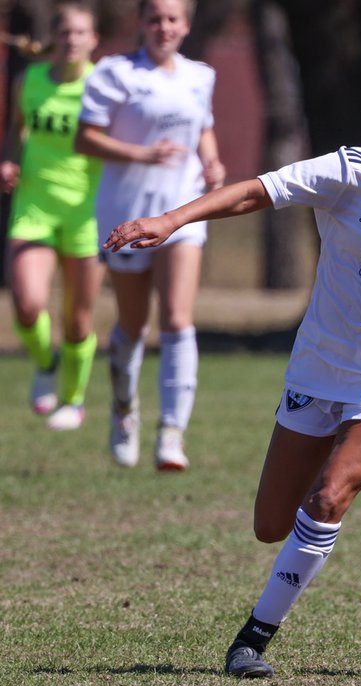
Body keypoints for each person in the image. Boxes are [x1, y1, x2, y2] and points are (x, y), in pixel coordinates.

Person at [104, 32, 361, 679]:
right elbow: (256, 191)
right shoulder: (355, 171)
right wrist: (172, 220)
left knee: (329, 499)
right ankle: (329, 471)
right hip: (321, 365)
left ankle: (252, 641)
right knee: (272, 524)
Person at [74, 0, 225, 470]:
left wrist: (212, 162)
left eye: (172, 19)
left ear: (186, 25)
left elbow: (203, 128)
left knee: (177, 318)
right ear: (141, 22)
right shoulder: (114, 73)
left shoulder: (200, 75)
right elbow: (84, 138)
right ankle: (124, 411)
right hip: (125, 214)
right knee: (134, 323)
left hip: (182, 212)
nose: (164, 27)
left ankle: (172, 433)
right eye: (155, 18)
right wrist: (141, 154)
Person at [2, 2, 102, 431]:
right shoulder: (30, 80)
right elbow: (16, 130)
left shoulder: (103, 87)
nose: (72, 40)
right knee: (27, 304)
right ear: (55, 37)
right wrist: (9, 160)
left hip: (86, 213)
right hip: (35, 208)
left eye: (81, 33)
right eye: (65, 32)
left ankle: (73, 400)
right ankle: (46, 361)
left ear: (93, 40)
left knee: (77, 320)